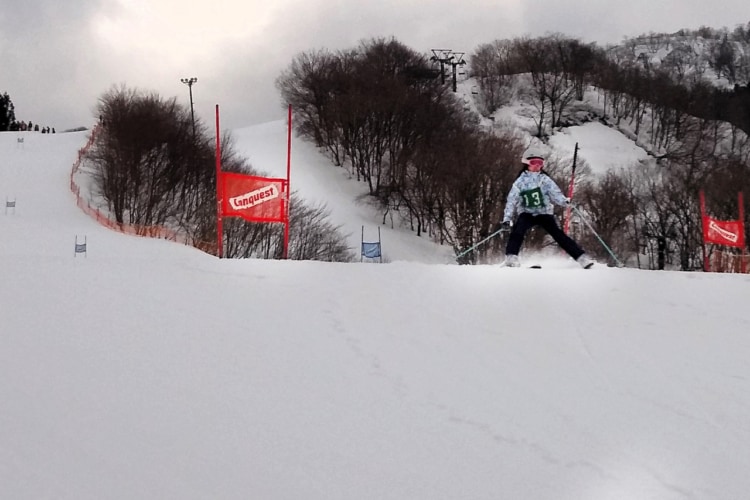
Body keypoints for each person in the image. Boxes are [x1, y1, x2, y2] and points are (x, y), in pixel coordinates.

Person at [498, 149, 594, 268]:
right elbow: (511, 200)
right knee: (518, 231)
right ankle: (511, 258)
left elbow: (555, 193)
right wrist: (507, 218)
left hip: (544, 213)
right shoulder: (520, 182)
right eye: (534, 162)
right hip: (527, 213)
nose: (537, 166)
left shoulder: (545, 180)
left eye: (540, 163)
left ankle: (581, 257)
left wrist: (565, 201)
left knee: (558, 234)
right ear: (526, 163)